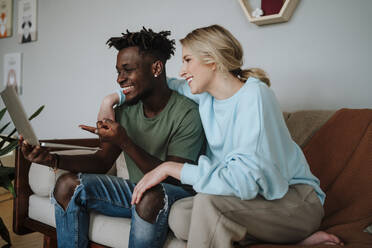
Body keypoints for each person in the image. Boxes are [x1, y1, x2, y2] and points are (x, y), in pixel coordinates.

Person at [130, 25, 344, 247]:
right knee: (180, 216)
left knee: (208, 205)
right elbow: (162, 85)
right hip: (255, 201)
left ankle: (295, 236)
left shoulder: (255, 97)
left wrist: (168, 168)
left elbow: (245, 180)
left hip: (295, 201)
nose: (182, 71)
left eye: (187, 60)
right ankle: (294, 243)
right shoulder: (206, 97)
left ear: (212, 61)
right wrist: (114, 98)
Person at [20, 27, 204, 248]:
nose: (120, 79)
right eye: (118, 71)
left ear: (156, 67)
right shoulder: (126, 110)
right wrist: (52, 159)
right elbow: (101, 161)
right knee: (67, 184)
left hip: (171, 195)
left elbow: (173, 177)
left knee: (150, 195)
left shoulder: (187, 113)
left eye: (127, 70)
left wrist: (125, 142)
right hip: (136, 191)